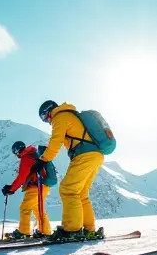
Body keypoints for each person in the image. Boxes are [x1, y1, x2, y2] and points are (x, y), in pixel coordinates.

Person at [35, 100, 105, 242]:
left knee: (68, 189)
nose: (46, 121)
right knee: (81, 194)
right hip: (95, 155)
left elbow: (55, 141)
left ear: (49, 111)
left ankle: (72, 230)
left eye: (44, 117)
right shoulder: (69, 115)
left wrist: (43, 160)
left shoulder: (59, 117)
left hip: (84, 155)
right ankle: (89, 230)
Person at [1, 141, 52, 240]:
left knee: (25, 208)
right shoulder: (33, 154)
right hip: (43, 186)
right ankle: (45, 232)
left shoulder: (26, 158)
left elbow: (22, 177)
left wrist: (11, 189)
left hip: (36, 187)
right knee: (38, 210)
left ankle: (23, 232)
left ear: (17, 151)